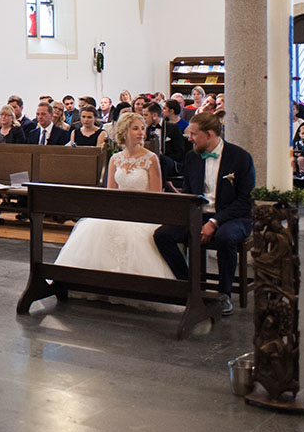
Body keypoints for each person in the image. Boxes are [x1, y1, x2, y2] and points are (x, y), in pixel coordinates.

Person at [54, 112, 176, 292]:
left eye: (142, 128)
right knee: (95, 228)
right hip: (118, 210)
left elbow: (155, 196)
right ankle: (91, 282)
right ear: (124, 132)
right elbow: (110, 193)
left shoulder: (151, 159)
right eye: (135, 128)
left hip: (143, 211)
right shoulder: (115, 159)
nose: (141, 132)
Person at [153, 112, 255, 316]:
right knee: (162, 235)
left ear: (209, 134)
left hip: (233, 216)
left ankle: (223, 294)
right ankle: (189, 285)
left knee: (226, 238)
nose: (189, 139)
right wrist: (192, 218)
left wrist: (214, 222)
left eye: (193, 134)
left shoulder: (240, 157)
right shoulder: (192, 157)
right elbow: (190, 193)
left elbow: (244, 201)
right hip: (199, 213)